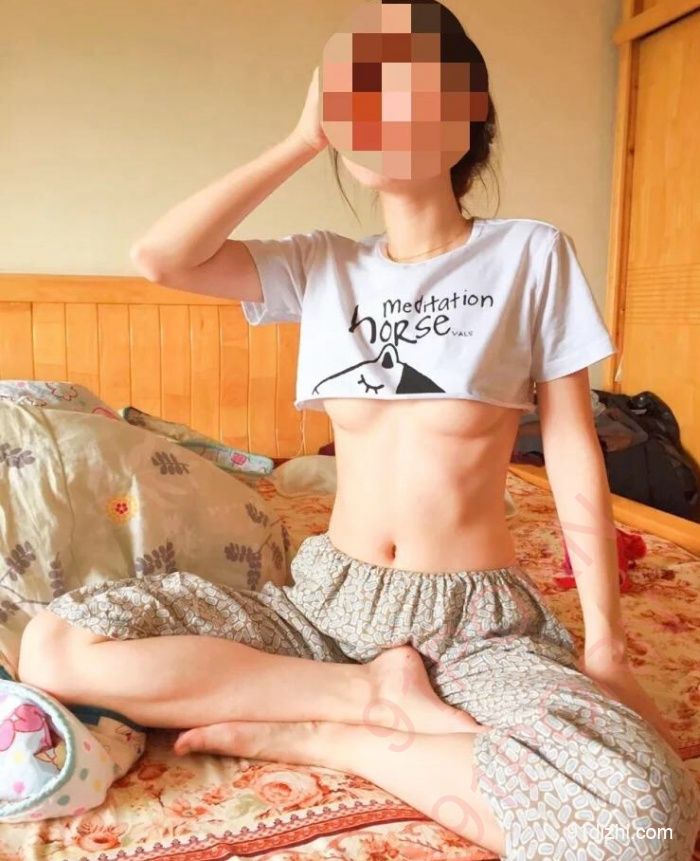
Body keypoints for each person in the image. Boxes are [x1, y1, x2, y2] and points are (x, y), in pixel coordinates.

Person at [18, 2, 700, 858]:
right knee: (55, 646)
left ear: (468, 107)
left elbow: (571, 453)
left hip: (471, 620)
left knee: (646, 821)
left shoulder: (530, 256)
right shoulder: (324, 264)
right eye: (363, 93)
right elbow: (161, 258)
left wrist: (606, 647)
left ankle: (344, 740)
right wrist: (303, 137)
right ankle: (363, 695)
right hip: (325, 603)